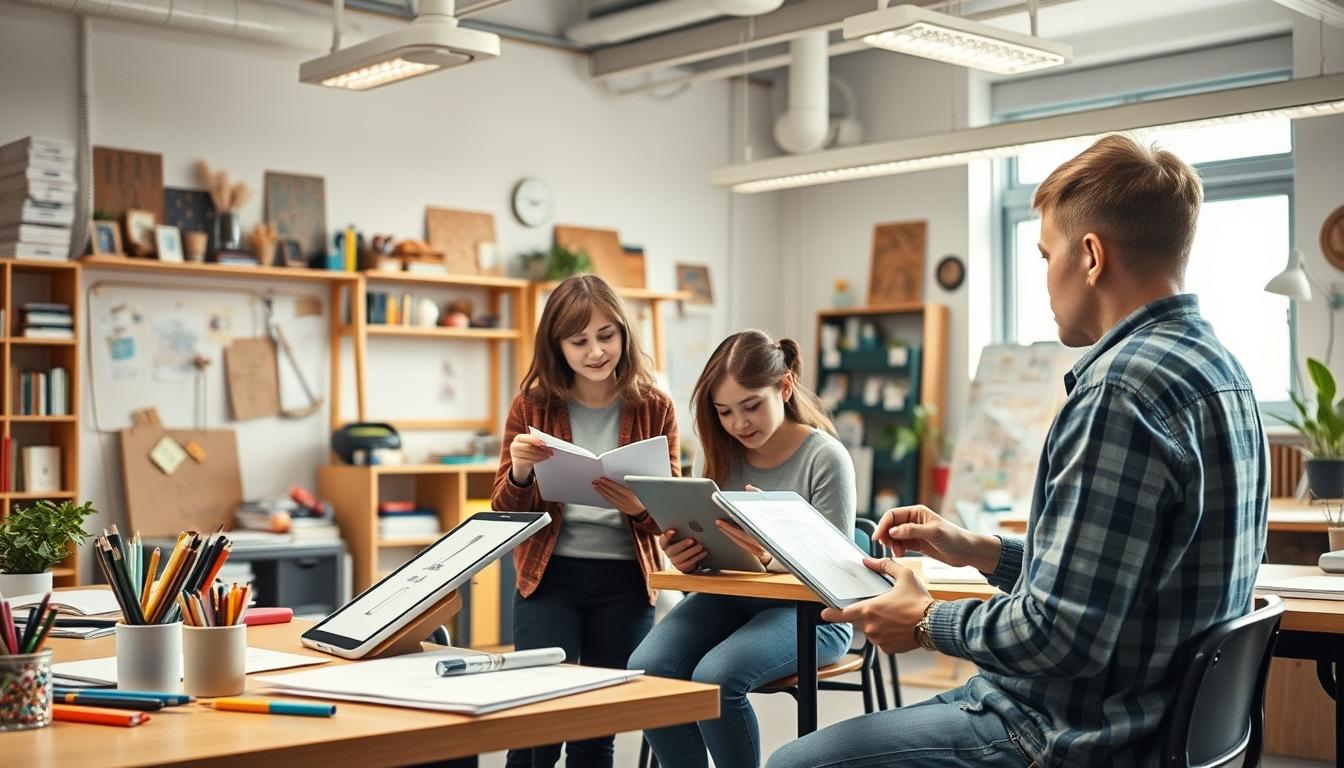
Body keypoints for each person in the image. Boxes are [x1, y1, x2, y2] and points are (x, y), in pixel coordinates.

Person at [767, 134, 1270, 767]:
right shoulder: (1222, 371)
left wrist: (925, 622)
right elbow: (1120, 574)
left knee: (791, 763)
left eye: (1045, 253)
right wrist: (983, 552)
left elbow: (1062, 637)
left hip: (1067, 733)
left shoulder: (1119, 392)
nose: (1045, 276)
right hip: (1156, 724)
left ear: (1090, 256)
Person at [628, 329, 856, 768]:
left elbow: (839, 576)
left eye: (751, 406)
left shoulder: (825, 458)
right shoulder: (718, 454)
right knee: (648, 667)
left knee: (716, 676)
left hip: (813, 615)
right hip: (731, 601)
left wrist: (770, 556)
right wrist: (684, 558)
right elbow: (710, 563)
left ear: (784, 386)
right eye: (725, 412)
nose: (738, 424)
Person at [491, 274, 679, 768]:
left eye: (606, 336)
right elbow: (504, 513)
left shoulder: (655, 407)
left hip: (624, 582)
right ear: (558, 346)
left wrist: (638, 507)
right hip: (548, 579)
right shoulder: (533, 405)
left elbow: (671, 518)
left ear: (624, 334)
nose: (595, 351)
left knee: (596, 729)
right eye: (579, 341)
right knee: (538, 726)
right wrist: (521, 469)